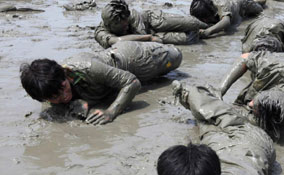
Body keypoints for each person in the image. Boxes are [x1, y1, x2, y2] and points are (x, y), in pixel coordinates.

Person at [20, 40, 182, 124]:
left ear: (64, 75)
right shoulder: (47, 87)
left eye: (63, 88)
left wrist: (111, 112)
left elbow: (132, 82)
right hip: (115, 58)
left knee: (176, 55)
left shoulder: (88, 69)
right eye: (54, 97)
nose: (63, 96)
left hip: (140, 58)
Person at [218, 37, 284, 139]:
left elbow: (244, 57)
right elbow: (245, 58)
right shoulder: (273, 63)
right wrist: (220, 90)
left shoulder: (274, 65)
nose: (250, 104)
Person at [95, 0, 207, 48]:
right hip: (150, 36)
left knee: (192, 23)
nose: (126, 24)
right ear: (110, 25)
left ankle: (209, 26)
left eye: (126, 21)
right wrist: (149, 38)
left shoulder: (127, 15)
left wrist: (147, 37)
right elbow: (116, 41)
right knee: (188, 39)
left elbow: (136, 18)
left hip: (151, 20)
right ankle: (203, 33)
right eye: (122, 24)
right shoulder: (101, 32)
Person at [189, 0, 265, 39]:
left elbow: (226, 21)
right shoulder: (210, 2)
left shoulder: (222, 5)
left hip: (242, 2)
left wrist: (207, 32)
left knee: (260, 8)